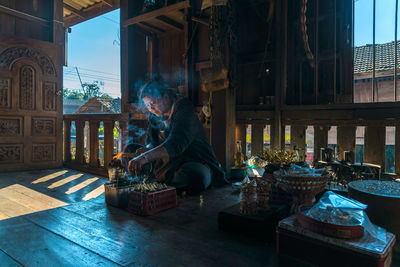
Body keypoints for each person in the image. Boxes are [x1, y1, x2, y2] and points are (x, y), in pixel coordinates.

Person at [123, 81, 226, 194]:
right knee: (130, 149)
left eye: (152, 103)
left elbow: (176, 144)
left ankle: (156, 181)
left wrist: (145, 157)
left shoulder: (184, 110)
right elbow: (152, 142)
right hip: (167, 163)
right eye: (147, 105)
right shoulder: (154, 115)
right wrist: (147, 149)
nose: (150, 108)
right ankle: (156, 181)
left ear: (166, 97)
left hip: (191, 160)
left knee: (195, 176)